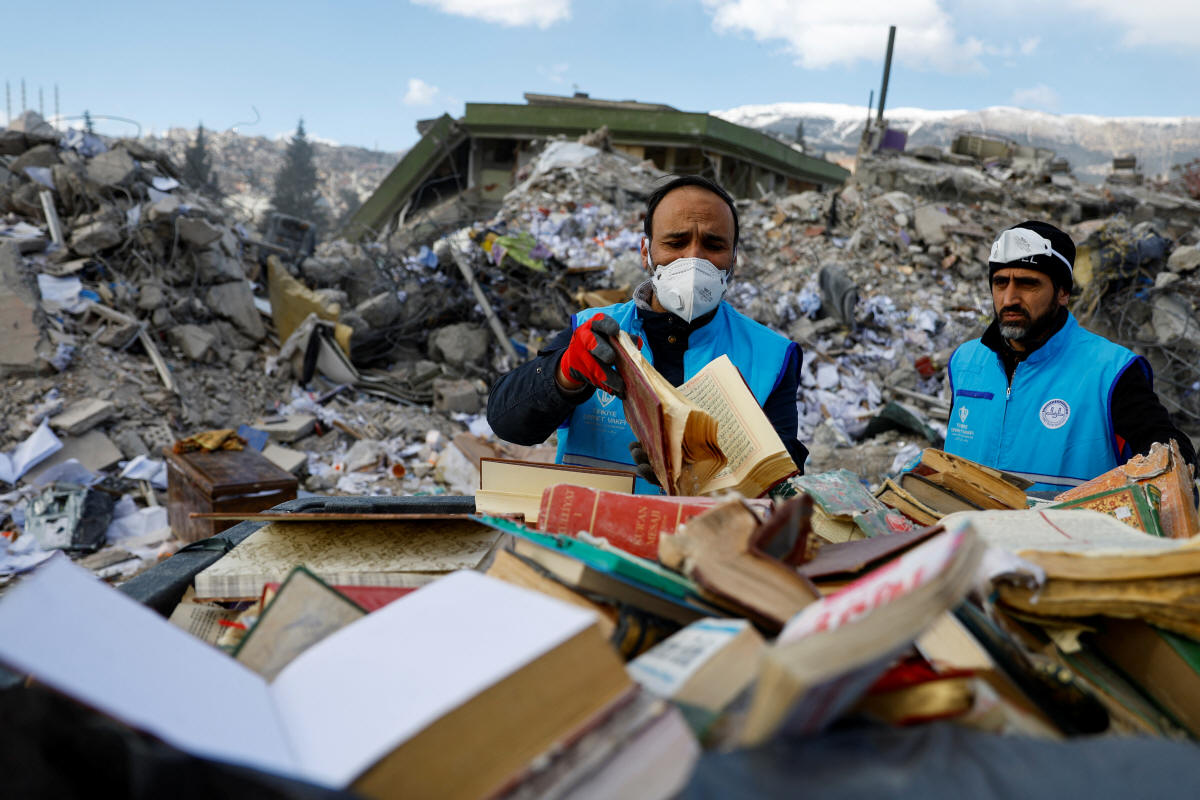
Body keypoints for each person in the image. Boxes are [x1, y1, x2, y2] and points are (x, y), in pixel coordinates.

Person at [487, 175, 807, 493]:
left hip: (707, 528)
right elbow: (508, 423)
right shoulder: (593, 330)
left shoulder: (772, 356)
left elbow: (782, 481)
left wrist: (709, 473)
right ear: (646, 252)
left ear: (733, 259)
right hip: (591, 523)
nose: (693, 259)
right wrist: (563, 374)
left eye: (713, 245)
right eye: (676, 243)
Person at [945, 220, 1197, 494]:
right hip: (968, 523)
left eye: (1028, 284)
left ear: (1063, 292)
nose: (1009, 299)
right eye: (1000, 282)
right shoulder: (964, 362)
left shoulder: (1110, 371)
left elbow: (1171, 457)